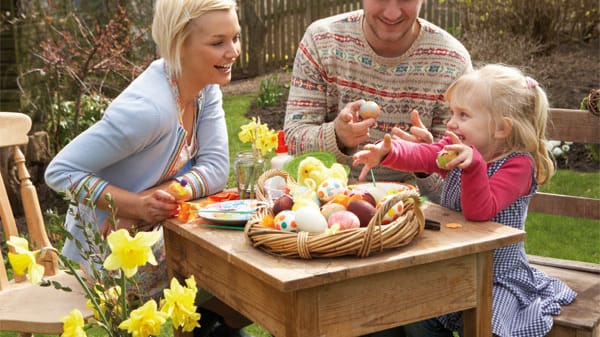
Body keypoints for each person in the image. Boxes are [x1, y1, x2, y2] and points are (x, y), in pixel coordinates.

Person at [45, 1, 250, 336]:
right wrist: (136, 205)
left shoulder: (205, 89)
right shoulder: (148, 110)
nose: (233, 51)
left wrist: (160, 195)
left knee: (235, 271)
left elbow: (215, 168)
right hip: (105, 253)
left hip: (154, 235)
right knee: (236, 279)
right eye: (218, 42)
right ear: (179, 43)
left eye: (236, 37)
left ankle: (214, 326)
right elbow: (60, 171)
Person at [352, 64, 577, 337]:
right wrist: (387, 152)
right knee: (410, 316)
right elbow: (424, 155)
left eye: (463, 115)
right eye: (452, 113)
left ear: (501, 129)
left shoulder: (518, 165)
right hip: (451, 265)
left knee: (492, 328)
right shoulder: (461, 150)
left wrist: (474, 168)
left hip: (494, 275)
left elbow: (480, 211)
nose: (451, 122)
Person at [283, 0, 472, 200]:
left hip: (413, 211)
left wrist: (425, 162)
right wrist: (337, 137)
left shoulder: (453, 62)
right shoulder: (322, 41)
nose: (392, 13)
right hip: (328, 203)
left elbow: (459, 187)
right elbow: (295, 138)